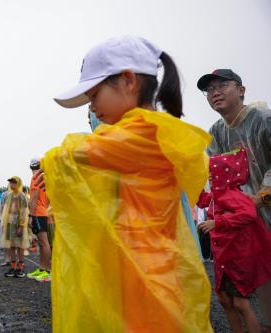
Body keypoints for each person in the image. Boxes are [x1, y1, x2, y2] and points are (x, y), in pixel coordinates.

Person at [40, 36, 213, 332]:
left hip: (149, 276)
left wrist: (53, 161)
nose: (92, 109)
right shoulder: (140, 132)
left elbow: (83, 152)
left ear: (129, 81)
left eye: (94, 96)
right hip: (140, 267)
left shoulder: (145, 131)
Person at [197, 69, 271, 331]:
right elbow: (212, 176)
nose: (214, 92)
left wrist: (262, 196)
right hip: (247, 220)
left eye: (222, 85)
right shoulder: (216, 131)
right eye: (209, 89)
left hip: (264, 205)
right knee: (262, 281)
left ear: (241, 90)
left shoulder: (264, 118)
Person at [197, 148, 271, 333]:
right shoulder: (217, 195)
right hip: (224, 257)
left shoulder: (232, 194)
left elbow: (249, 213)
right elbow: (202, 200)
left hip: (237, 257)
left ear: (225, 173)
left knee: (240, 303)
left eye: (213, 173)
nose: (210, 177)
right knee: (224, 300)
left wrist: (218, 222)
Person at [26, 158, 52, 282]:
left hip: (38, 213)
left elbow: (34, 197)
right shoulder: (45, 177)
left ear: (30, 167)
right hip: (43, 212)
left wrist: (30, 215)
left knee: (43, 242)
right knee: (42, 243)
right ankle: (42, 269)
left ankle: (47, 271)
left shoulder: (35, 178)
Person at [0, 177, 29, 278]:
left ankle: (20, 268)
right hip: (9, 224)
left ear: (18, 183)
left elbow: (24, 212)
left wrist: (21, 226)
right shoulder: (9, 195)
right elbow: (6, 210)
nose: (11, 184)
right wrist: (4, 222)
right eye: (10, 182)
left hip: (18, 224)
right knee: (11, 246)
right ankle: (13, 267)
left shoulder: (22, 196)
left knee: (20, 246)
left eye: (13, 182)